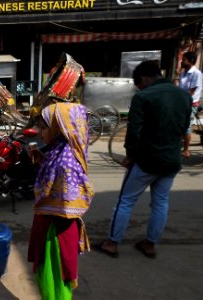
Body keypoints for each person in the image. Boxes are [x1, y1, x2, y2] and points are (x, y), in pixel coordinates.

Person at [98, 60, 192, 259]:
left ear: (143, 78)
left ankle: (111, 243)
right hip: (171, 161)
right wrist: (184, 149)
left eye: (138, 84)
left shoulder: (143, 97)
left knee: (125, 201)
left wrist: (130, 156)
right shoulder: (184, 96)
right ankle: (150, 245)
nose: (138, 88)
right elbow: (185, 130)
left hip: (147, 161)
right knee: (160, 202)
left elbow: (134, 133)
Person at [27, 102, 94, 299]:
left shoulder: (66, 162)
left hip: (56, 232)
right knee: (51, 280)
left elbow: (67, 201)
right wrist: (41, 159)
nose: (40, 133)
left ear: (61, 126)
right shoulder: (61, 148)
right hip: (52, 226)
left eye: (44, 127)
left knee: (54, 281)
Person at [178, 51, 202, 157]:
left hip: (190, 104)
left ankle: (186, 149)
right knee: (177, 125)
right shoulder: (183, 73)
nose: (181, 61)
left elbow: (191, 92)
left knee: (186, 126)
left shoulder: (196, 73)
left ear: (190, 61)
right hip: (181, 102)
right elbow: (178, 88)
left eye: (184, 59)